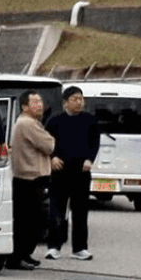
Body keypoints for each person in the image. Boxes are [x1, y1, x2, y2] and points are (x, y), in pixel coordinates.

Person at [44, 85, 101, 261]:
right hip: (60, 171)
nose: (79, 102)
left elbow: (95, 142)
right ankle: (54, 246)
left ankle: (80, 248)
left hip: (81, 171)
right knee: (57, 210)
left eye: (81, 99)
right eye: (75, 99)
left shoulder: (90, 120)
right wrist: (52, 158)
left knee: (80, 211)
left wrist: (90, 159)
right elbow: (46, 142)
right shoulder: (55, 120)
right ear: (65, 103)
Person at [7, 92, 56, 269]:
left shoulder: (30, 123)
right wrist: (50, 139)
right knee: (29, 221)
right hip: (29, 178)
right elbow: (49, 145)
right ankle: (17, 257)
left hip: (28, 178)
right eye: (34, 102)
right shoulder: (27, 123)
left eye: (40, 101)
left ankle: (24, 254)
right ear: (24, 107)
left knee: (31, 220)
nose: (39, 105)